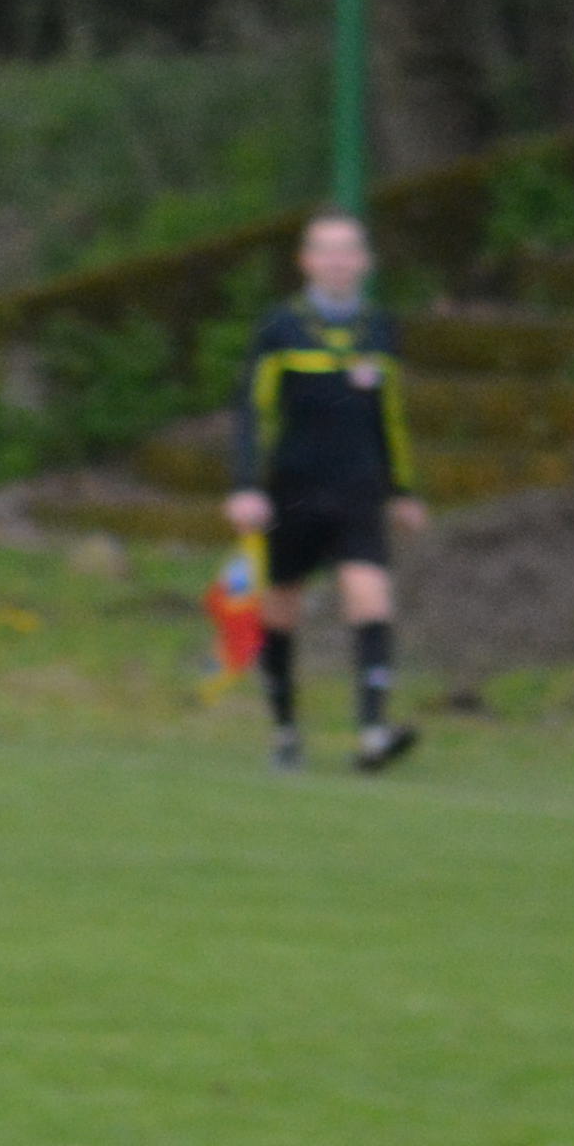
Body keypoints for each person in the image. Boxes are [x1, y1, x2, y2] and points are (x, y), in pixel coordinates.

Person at [224, 212, 431, 773]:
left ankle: (372, 734)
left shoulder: (379, 329)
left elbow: (390, 416)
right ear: (307, 261)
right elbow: (252, 411)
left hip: (358, 488)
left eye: (348, 251)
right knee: (280, 609)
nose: (338, 262)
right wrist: (246, 486)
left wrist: (403, 490)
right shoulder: (280, 328)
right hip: (293, 490)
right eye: (326, 251)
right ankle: (286, 731)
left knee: (371, 597)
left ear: (365, 262)